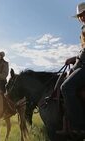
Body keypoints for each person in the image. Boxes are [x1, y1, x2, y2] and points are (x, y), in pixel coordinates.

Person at [59, 2, 85, 133]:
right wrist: (74, 59)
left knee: (66, 87)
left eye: (84, 14)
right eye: (80, 15)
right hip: (82, 62)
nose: (82, 17)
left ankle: (80, 126)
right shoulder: (83, 30)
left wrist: (76, 63)